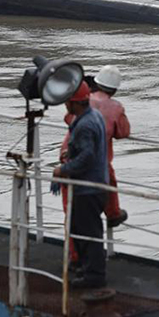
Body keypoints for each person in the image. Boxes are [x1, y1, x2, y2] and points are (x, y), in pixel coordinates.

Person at [53, 82, 109, 289]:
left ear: (74, 103)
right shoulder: (94, 116)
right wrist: (72, 152)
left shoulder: (85, 124)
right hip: (97, 184)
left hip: (87, 188)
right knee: (83, 229)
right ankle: (88, 269)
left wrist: (63, 170)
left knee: (88, 233)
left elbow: (87, 157)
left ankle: (94, 275)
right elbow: (88, 149)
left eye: (67, 101)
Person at [90, 65, 130, 228]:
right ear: (114, 90)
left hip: (73, 156)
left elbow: (68, 119)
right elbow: (123, 132)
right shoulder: (116, 107)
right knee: (110, 182)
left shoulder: (84, 99)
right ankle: (112, 213)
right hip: (100, 161)